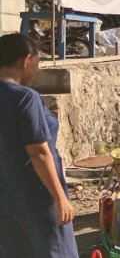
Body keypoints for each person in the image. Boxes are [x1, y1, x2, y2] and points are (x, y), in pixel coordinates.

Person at [0, 34, 78, 257]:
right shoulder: (25, 98)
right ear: (27, 60)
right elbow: (40, 153)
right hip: (38, 198)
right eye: (38, 62)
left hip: (6, 199)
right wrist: (59, 198)